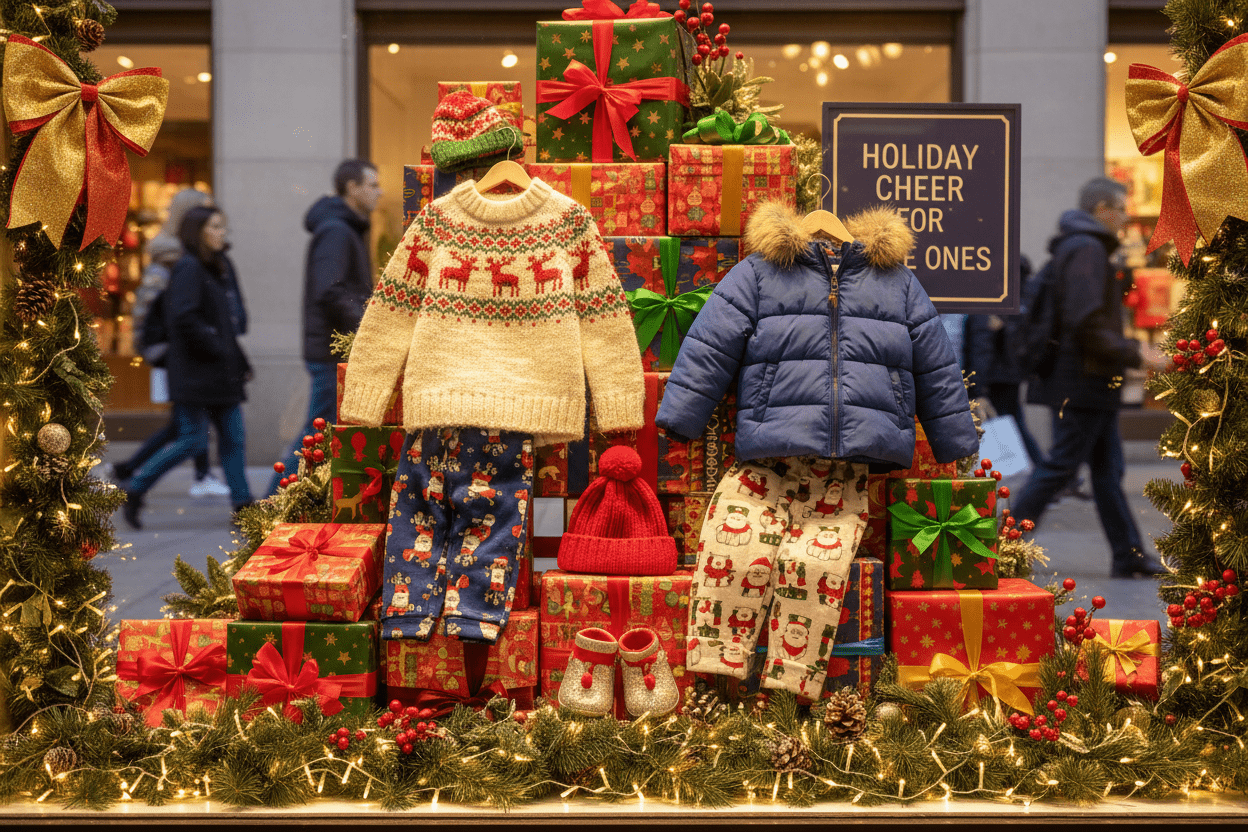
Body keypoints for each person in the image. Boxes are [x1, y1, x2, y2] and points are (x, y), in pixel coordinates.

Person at [1011, 177, 1166, 577]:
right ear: (1102, 210)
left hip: (1089, 381)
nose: (1126, 217)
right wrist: (1136, 351)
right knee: (1061, 468)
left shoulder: (1082, 247)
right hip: (1082, 381)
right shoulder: (1087, 249)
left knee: (1107, 471)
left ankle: (1128, 554)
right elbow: (1085, 322)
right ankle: (1001, 543)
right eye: (1121, 208)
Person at [121, 206, 253, 529]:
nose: (222, 233)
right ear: (199, 232)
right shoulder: (188, 268)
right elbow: (183, 318)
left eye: (223, 226)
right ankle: (136, 488)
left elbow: (225, 323)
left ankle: (243, 505)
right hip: (196, 371)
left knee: (233, 437)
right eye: (216, 227)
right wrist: (218, 347)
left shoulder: (217, 266)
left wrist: (237, 358)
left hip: (220, 372)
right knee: (192, 440)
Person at [266, 159, 382, 495]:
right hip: (331, 351)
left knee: (322, 431)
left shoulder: (343, 227)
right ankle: (273, 504)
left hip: (332, 348)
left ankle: (286, 503)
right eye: (372, 185)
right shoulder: (336, 230)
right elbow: (329, 290)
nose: (379, 192)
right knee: (316, 433)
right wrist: (367, 325)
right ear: (352, 188)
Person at [110, 188, 230, 497]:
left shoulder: (191, 256)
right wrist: (156, 349)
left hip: (185, 352)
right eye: (202, 213)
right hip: (178, 354)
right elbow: (149, 310)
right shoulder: (173, 259)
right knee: (189, 425)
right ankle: (143, 479)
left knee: (185, 424)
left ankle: (131, 470)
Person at [963, 255, 1043, 467]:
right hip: (1011, 373)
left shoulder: (991, 297)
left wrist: (977, 388)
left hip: (995, 376)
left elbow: (982, 347)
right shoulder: (1021, 294)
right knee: (1013, 422)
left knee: (1008, 423)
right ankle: (1041, 470)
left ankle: (1039, 472)